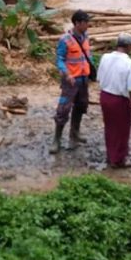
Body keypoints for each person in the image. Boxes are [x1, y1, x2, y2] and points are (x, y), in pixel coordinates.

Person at [50, 10, 93, 154]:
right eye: (86, 22)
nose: (88, 24)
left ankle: (75, 133)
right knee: (63, 110)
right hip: (71, 81)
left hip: (83, 79)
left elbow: (88, 55)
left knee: (81, 106)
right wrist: (67, 74)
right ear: (77, 23)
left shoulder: (86, 37)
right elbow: (60, 59)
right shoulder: (65, 39)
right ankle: (57, 139)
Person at [97, 33, 131, 168]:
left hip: (104, 96)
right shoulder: (130, 63)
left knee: (109, 127)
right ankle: (118, 159)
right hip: (119, 99)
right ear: (129, 46)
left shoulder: (105, 57)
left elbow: (99, 77)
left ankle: (110, 154)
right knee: (122, 129)